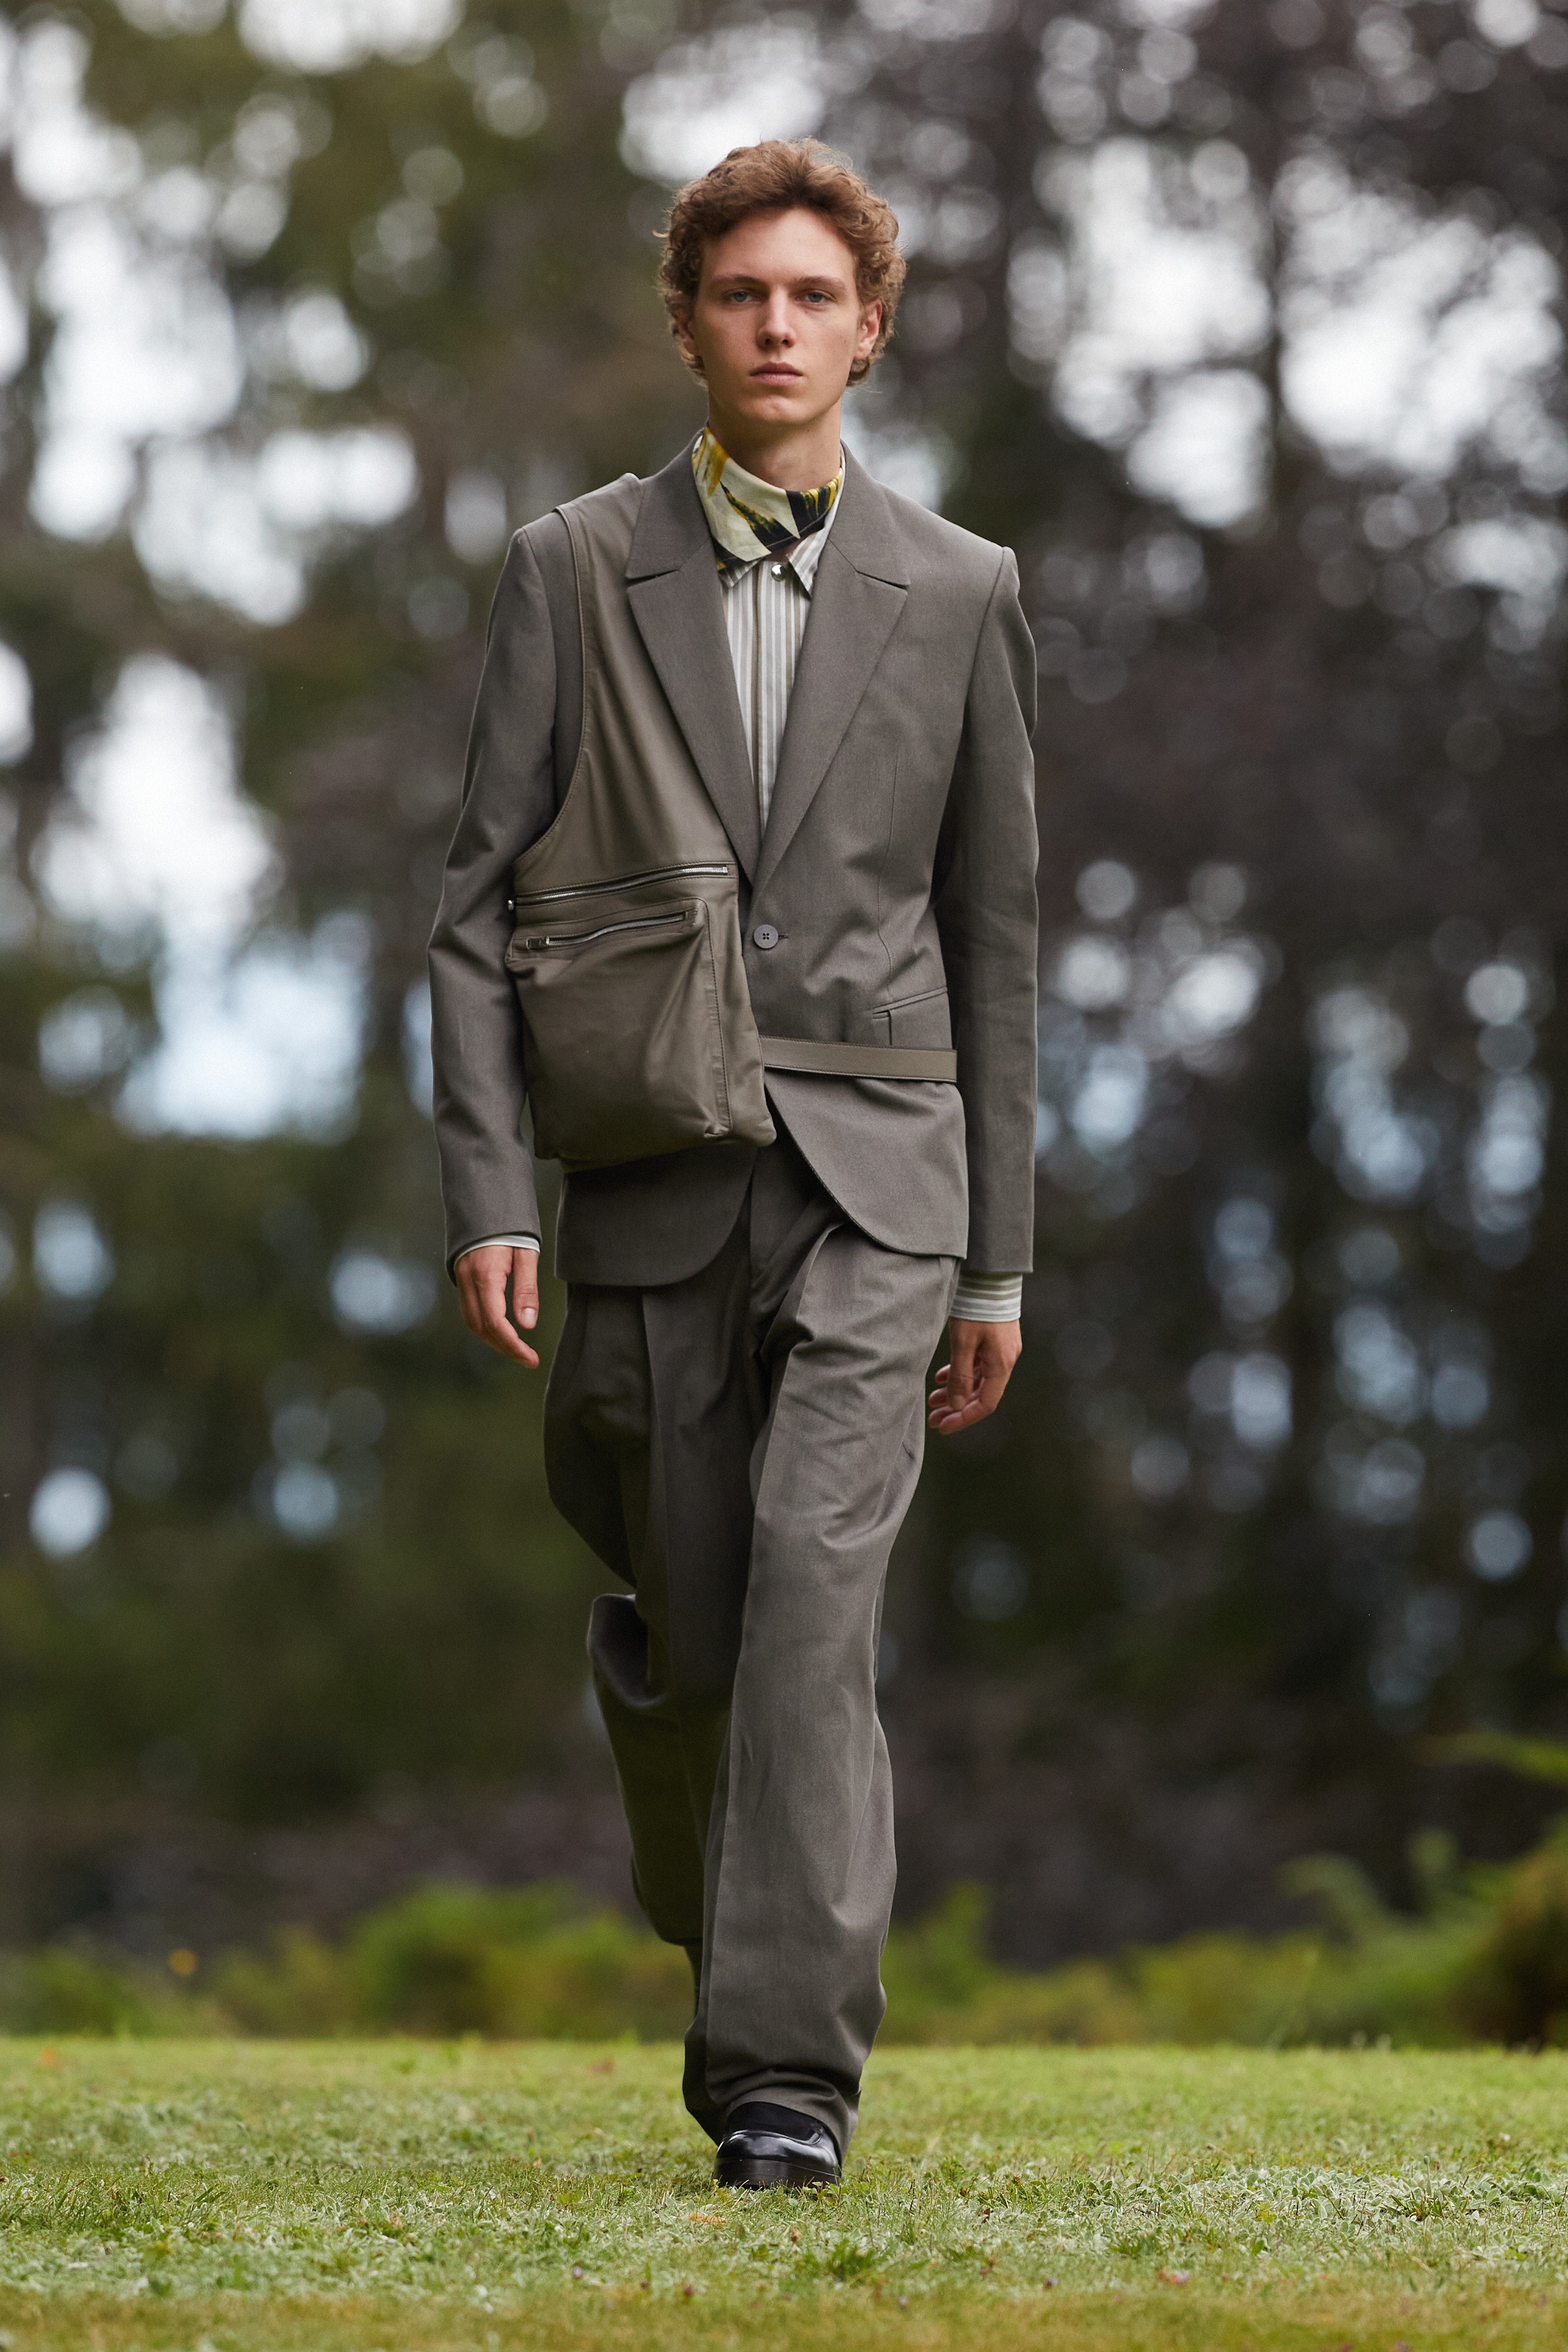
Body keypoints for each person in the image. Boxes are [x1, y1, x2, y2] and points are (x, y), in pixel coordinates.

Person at [428, 139, 1038, 2190]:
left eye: (812, 297)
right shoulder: (570, 569)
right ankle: (736, 1916)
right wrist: (489, 1193)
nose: (776, 326)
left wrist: (997, 1260)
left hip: (884, 1185)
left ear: (867, 331)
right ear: (687, 326)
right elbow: (469, 912)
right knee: (693, 1635)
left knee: (809, 1607)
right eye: (738, 294)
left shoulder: (962, 590)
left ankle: (785, 2082)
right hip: (649, 1174)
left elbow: (995, 939)